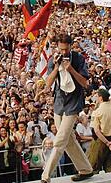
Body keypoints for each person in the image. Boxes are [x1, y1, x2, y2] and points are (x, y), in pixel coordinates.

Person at [40, 32, 94, 183]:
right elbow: (48, 83)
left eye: (66, 49)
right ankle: (85, 169)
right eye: (61, 49)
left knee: (60, 140)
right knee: (69, 141)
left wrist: (71, 69)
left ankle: (46, 176)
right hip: (59, 103)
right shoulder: (53, 60)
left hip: (74, 102)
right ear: (57, 47)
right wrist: (57, 68)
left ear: (70, 46)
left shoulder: (78, 59)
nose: (64, 52)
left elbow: (85, 83)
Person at [87, 89, 111, 174]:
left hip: (100, 141)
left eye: (97, 96)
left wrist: (107, 143)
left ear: (101, 98)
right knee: (110, 168)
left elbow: (96, 131)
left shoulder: (97, 112)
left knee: (94, 167)